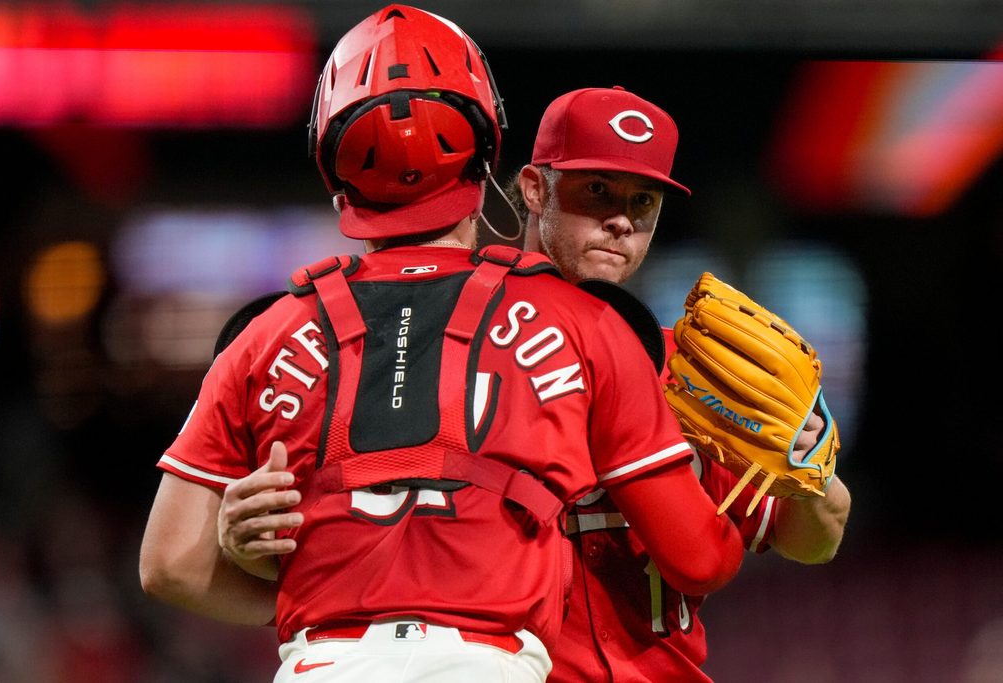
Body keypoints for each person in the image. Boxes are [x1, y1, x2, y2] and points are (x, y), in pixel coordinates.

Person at [138, 8, 746, 683]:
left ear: (332, 157)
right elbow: (701, 558)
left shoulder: (263, 335)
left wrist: (299, 598)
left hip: (321, 663)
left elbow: (168, 564)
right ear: (490, 154)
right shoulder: (583, 323)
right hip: (487, 661)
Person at [508, 85, 853, 682]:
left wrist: (807, 466)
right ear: (535, 189)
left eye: (643, 200)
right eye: (597, 191)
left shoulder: (688, 371)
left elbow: (819, 539)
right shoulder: (470, 344)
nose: (621, 219)